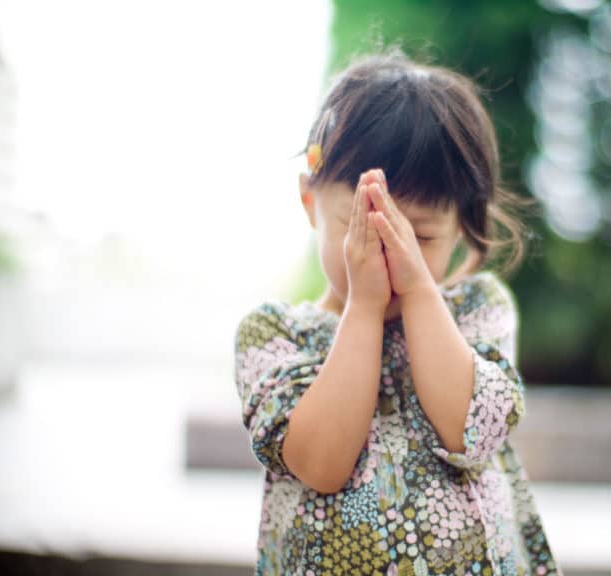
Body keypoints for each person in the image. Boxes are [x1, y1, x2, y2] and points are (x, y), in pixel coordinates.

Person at [233, 48, 560, 576]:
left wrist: (419, 293)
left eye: (420, 236)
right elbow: (321, 463)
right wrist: (362, 308)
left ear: (462, 228)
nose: (389, 255)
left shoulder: (476, 309)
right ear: (310, 202)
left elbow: (470, 432)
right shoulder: (276, 335)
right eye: (362, 226)